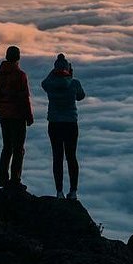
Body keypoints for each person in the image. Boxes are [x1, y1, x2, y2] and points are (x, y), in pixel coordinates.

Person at [41, 54, 85, 200]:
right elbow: (81, 96)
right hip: (71, 124)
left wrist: (55, 72)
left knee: (57, 157)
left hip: (54, 124)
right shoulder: (74, 83)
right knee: (71, 157)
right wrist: (70, 75)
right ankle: (73, 192)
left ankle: (59, 192)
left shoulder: (50, 84)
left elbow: (44, 83)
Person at [0, 46, 34, 188]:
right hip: (18, 116)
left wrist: (0, 111)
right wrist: (29, 116)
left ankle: (2, 178)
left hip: (4, 116)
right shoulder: (20, 75)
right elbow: (24, 98)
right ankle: (15, 180)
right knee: (18, 149)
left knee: (6, 147)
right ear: (18, 57)